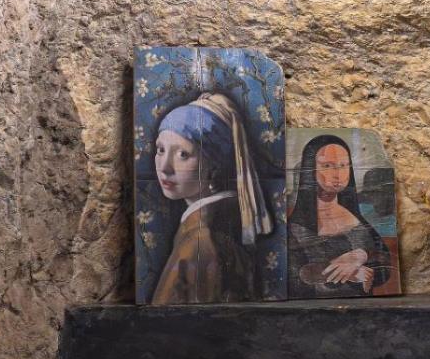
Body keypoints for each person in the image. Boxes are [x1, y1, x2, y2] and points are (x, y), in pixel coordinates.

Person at [150, 92, 272, 304]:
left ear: (214, 165)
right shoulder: (221, 222)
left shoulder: (200, 240)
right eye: (161, 150)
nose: (165, 167)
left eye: (183, 154)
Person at [287, 134, 392, 298]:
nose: (337, 174)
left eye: (343, 165)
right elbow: (295, 277)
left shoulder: (356, 218)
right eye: (327, 165)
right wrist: (349, 273)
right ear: (310, 169)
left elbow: (385, 265)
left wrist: (362, 255)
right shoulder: (296, 228)